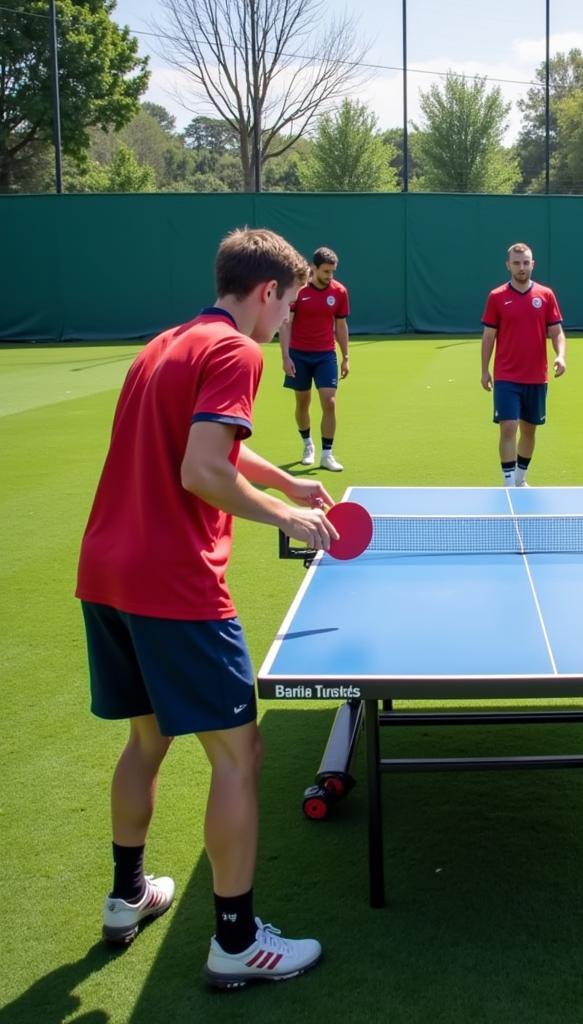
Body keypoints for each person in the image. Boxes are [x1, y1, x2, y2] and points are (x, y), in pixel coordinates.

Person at [77, 228, 340, 990]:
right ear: (268, 292)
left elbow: (205, 440)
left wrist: (286, 481)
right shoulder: (239, 352)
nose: (288, 320)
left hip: (107, 574)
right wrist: (288, 518)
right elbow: (201, 470)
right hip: (174, 582)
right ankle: (235, 939)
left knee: (146, 741)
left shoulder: (166, 344)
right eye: (288, 305)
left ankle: (127, 897)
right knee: (238, 754)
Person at [481, 242, 566, 487]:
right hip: (506, 376)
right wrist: (484, 370)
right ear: (508, 265)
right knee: (508, 427)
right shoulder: (497, 297)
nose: (521, 267)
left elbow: (557, 332)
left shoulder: (546, 295)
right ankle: (508, 484)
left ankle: (520, 479)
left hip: (537, 377)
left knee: (529, 431)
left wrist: (561, 355)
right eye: (516, 263)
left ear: (532, 264)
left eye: (525, 262)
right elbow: (489, 337)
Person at [279, 245, 350, 472]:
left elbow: (340, 325)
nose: (330, 276)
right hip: (299, 355)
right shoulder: (298, 291)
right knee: (303, 402)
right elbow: (286, 324)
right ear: (314, 268)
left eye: (333, 272)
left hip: (325, 355)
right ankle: (307, 444)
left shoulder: (339, 292)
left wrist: (345, 356)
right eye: (326, 272)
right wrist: (285, 356)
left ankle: (327, 455)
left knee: (329, 402)